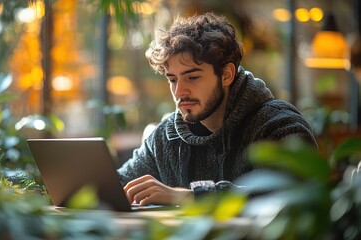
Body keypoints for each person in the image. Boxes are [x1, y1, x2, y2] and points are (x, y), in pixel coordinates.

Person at [117, 12, 317, 206]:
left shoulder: (279, 125)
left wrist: (190, 197)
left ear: (226, 75)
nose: (179, 91)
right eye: (172, 79)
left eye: (192, 77)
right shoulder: (165, 138)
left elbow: (289, 196)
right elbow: (117, 185)